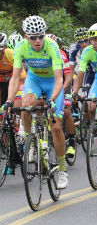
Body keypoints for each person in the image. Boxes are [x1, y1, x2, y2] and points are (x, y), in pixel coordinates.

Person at [4, 16, 68, 189]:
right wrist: (9, 100)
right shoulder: (20, 48)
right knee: (25, 105)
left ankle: (62, 169)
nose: (37, 40)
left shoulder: (52, 46)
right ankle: (30, 140)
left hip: (52, 84)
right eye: (33, 37)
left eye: (40, 36)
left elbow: (59, 79)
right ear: (26, 37)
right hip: (34, 80)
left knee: (55, 127)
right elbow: (15, 77)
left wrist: (52, 99)